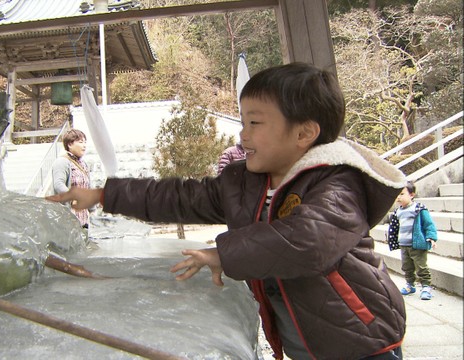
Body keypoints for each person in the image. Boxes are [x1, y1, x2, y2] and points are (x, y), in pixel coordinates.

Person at [47, 63, 407, 359]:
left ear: (304, 134)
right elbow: (179, 197)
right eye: (243, 121)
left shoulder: (338, 183)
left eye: (255, 122)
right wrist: (104, 194)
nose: (243, 135)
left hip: (362, 341)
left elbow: (307, 241)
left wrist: (223, 252)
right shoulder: (247, 184)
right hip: (306, 342)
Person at [387, 181, 438, 300]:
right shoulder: (397, 212)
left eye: (401, 194)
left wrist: (431, 237)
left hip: (417, 244)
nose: (398, 197)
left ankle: (426, 286)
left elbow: (429, 224)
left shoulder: (418, 209)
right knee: (407, 266)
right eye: (397, 195)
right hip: (404, 244)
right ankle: (410, 284)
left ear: (411, 195)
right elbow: (395, 227)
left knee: (421, 266)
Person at [52, 129, 92, 228]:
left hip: (83, 217)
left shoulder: (84, 164)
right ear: (70, 144)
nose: (84, 145)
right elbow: (58, 184)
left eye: (85, 142)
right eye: (80, 142)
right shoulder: (62, 162)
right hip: (67, 218)